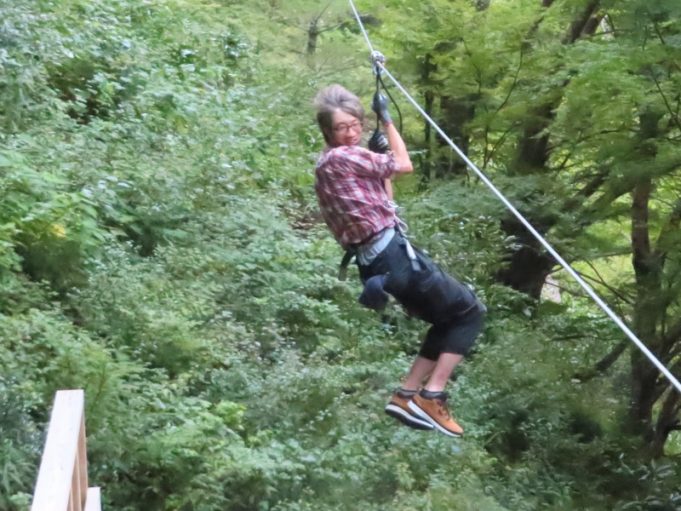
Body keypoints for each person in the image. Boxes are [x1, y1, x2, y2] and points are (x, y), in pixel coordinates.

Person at [313, 84, 485, 437]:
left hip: (377, 263)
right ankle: (432, 394)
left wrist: (380, 160)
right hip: (392, 257)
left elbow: (386, 201)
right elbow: (404, 165)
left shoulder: (327, 164)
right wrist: (388, 121)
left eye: (355, 125)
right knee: (470, 312)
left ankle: (406, 395)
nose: (351, 133)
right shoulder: (343, 157)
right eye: (342, 128)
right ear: (328, 132)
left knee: (445, 321)